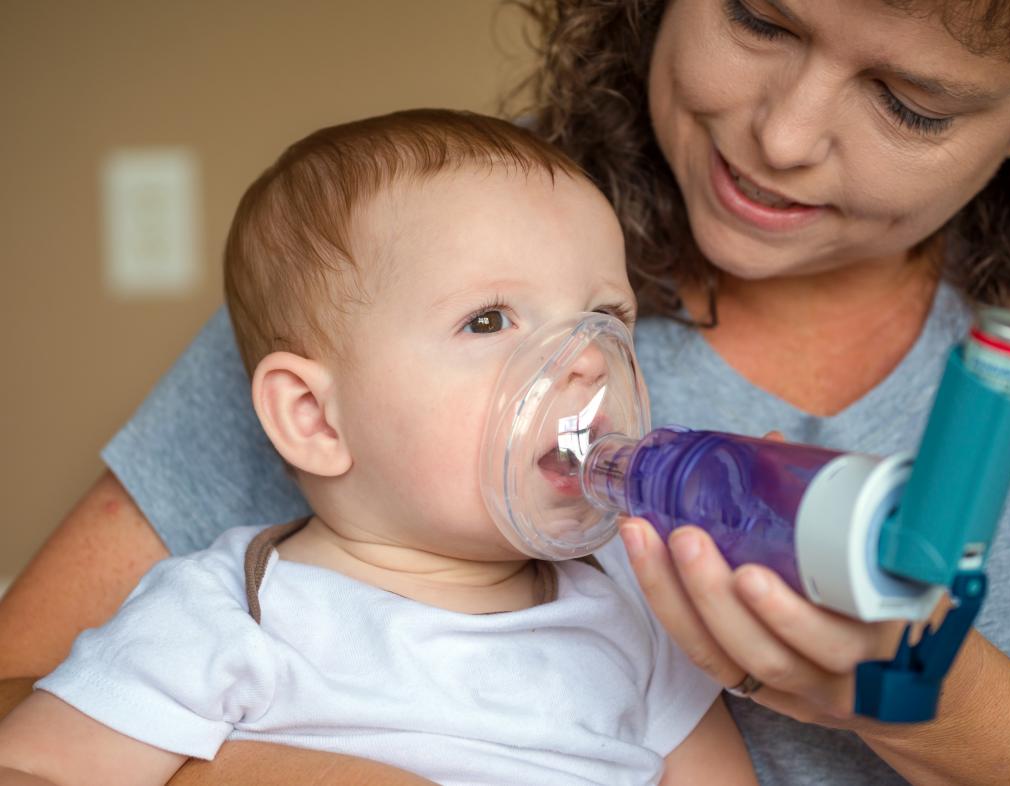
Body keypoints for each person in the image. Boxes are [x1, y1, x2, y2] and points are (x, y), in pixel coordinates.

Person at [1, 0, 1010, 783]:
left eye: (907, 100)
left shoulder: (623, 618)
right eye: (760, 22)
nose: (781, 138)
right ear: (312, 416)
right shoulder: (227, 609)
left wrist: (940, 711)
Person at [0, 110, 754, 785]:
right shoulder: (225, 617)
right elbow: (29, 766)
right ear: (315, 420)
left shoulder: (631, 603)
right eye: (489, 321)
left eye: (605, 314)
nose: (587, 358)